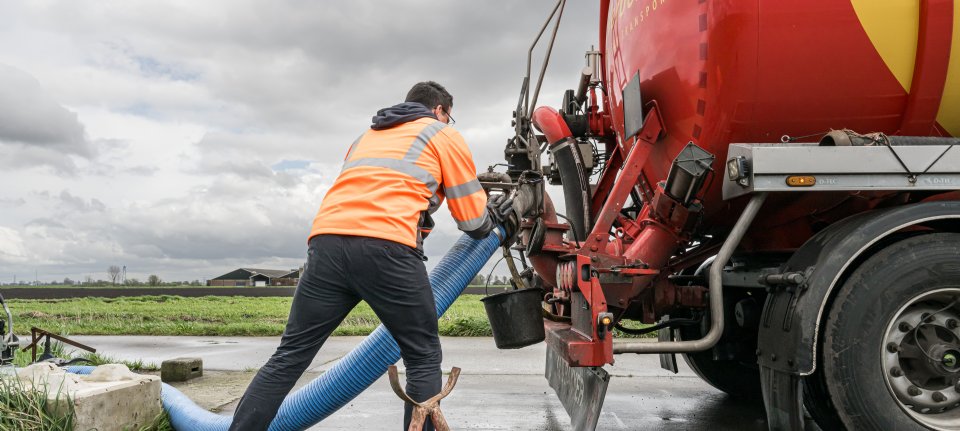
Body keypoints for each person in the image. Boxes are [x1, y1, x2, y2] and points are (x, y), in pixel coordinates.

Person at [229, 81, 514, 431]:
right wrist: (491, 217)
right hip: (387, 247)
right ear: (440, 110)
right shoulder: (441, 133)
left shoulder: (366, 137)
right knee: (422, 357)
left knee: (289, 356)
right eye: (448, 117)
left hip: (326, 244)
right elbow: (472, 222)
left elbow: (381, 188)